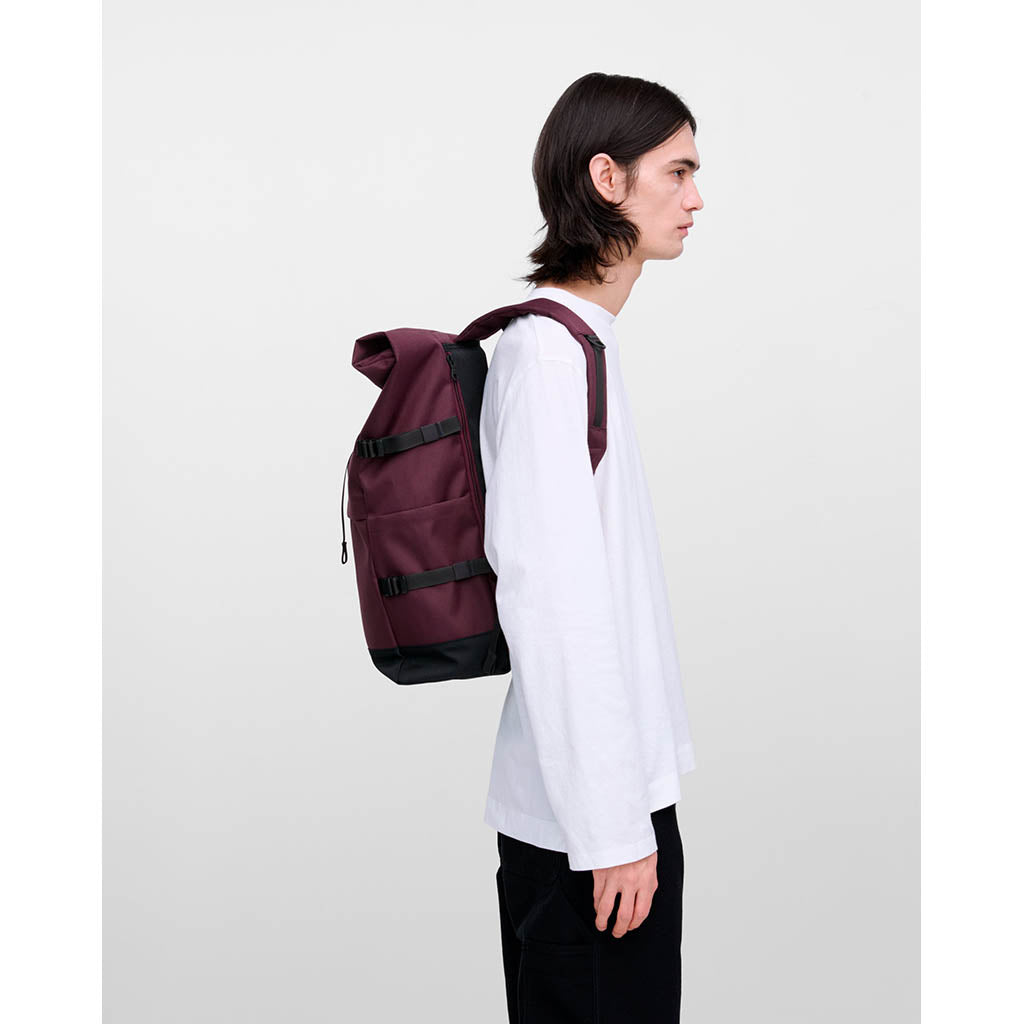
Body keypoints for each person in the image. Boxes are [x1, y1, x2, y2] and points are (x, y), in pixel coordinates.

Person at [479, 71, 704, 1023]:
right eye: (678, 171)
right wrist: (613, 831)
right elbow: (552, 604)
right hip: (587, 830)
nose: (696, 198)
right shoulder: (547, 357)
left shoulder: (581, 345)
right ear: (607, 178)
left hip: (607, 807)